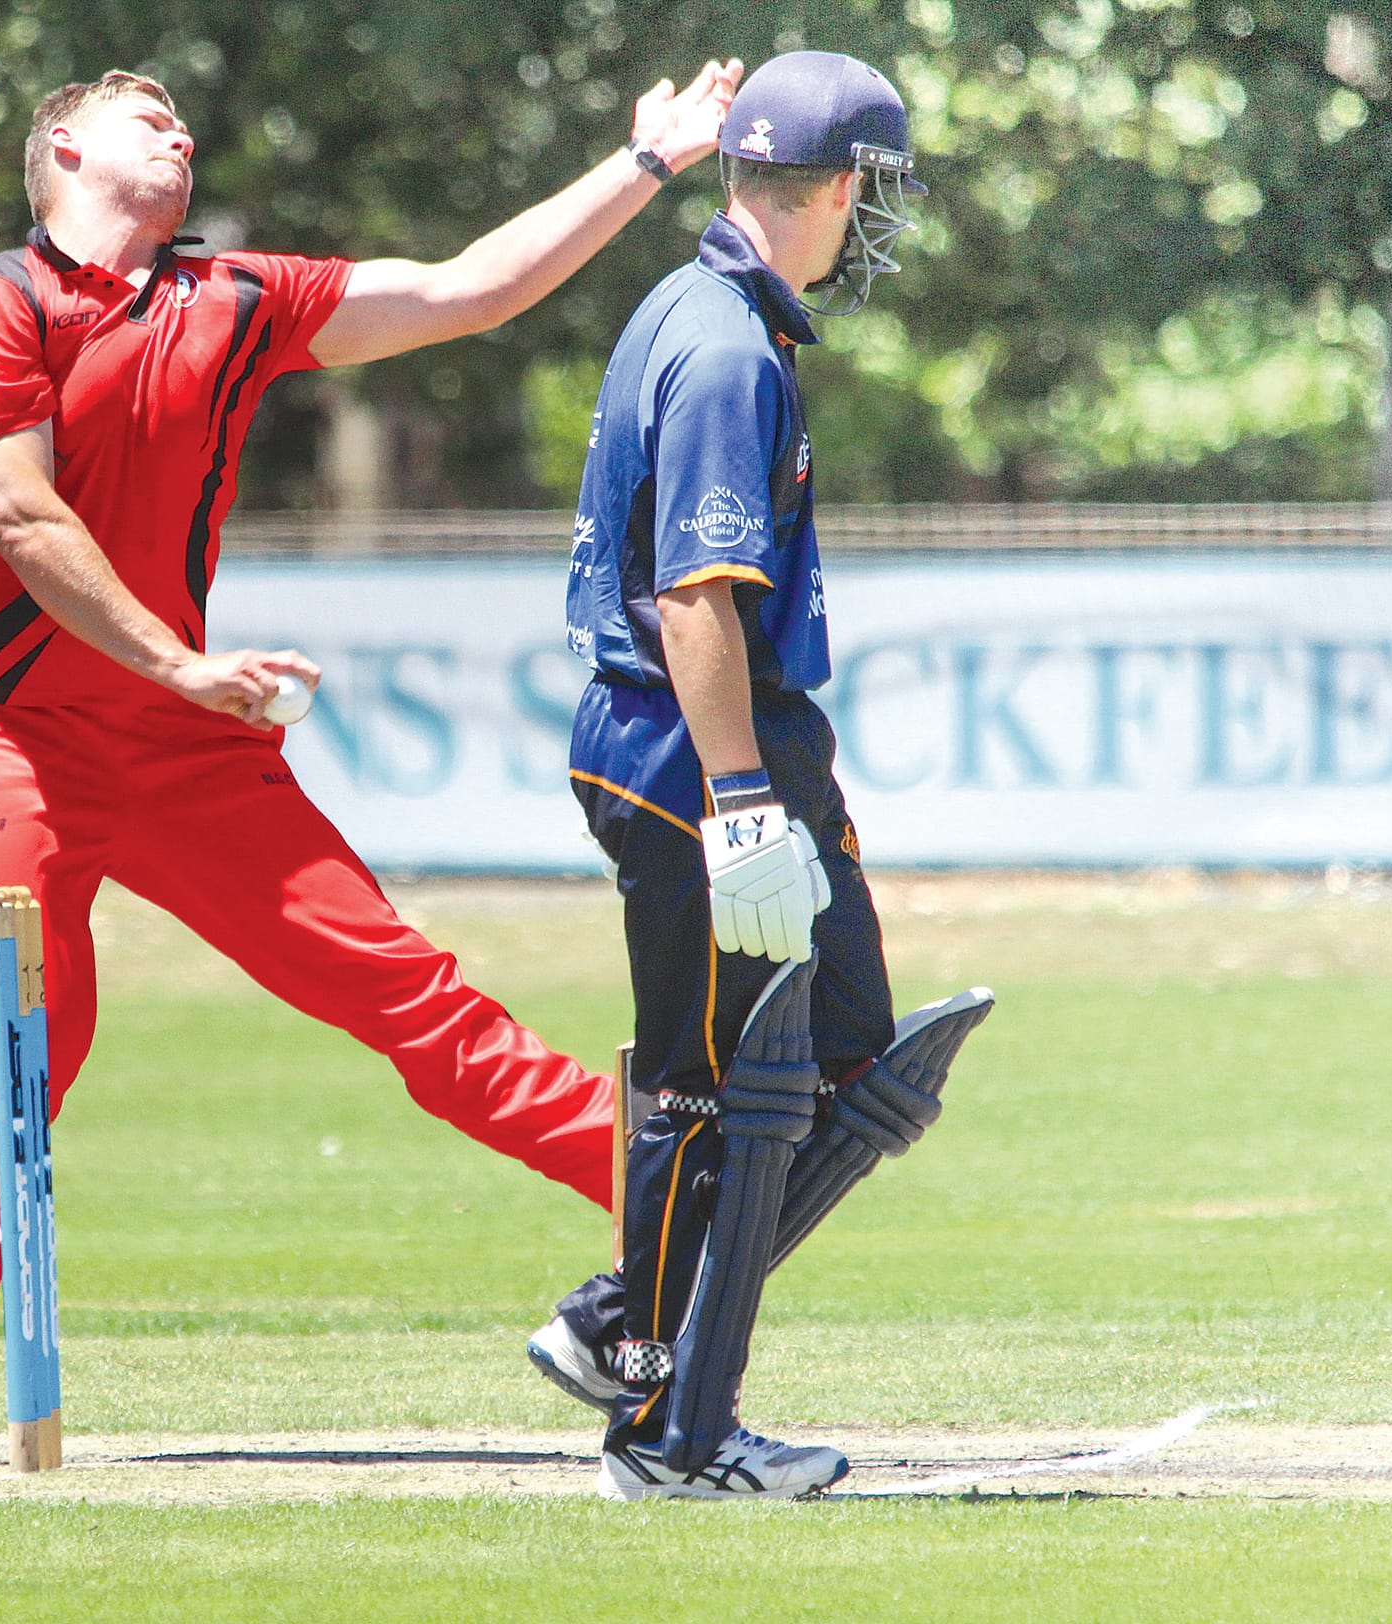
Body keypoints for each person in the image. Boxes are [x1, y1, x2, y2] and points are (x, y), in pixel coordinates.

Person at [0, 59, 746, 1466]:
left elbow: (468, 291)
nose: (178, 126)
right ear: (63, 146)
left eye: (183, 116)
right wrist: (182, 664)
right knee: (27, 1036)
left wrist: (648, 167)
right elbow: (19, 510)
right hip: (7, 727)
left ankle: (693, 1185)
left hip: (183, 744)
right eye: (142, 114)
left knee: (408, 997)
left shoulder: (234, 298)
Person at [521, 51, 984, 1501]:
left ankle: (628, 1332)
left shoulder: (697, 305)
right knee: (710, 1091)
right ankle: (665, 1424)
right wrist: (738, 804)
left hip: (716, 744)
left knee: (854, 1066)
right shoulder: (723, 344)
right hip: (694, 747)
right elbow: (693, 599)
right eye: (874, 194)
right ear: (836, 189)